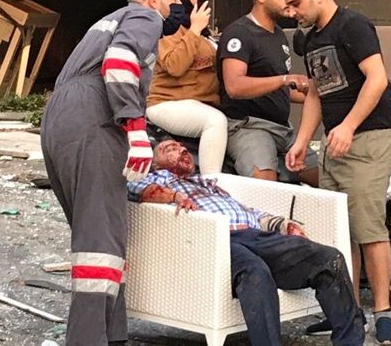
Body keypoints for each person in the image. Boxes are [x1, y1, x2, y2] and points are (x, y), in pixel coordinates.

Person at [40, 0, 188, 346]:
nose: (176, 0)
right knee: (100, 243)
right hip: (95, 118)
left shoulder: (109, 21)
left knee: (99, 231)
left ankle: (112, 334)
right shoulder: (145, 17)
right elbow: (120, 63)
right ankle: (88, 338)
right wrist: (135, 130)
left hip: (62, 118)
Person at [127, 139, 365, 346]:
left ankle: (350, 342)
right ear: (155, 164)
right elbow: (138, 191)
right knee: (255, 272)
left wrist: (283, 224)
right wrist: (174, 196)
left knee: (328, 258)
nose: (180, 150)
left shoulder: (208, 185)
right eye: (169, 149)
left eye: (181, 147)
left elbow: (249, 212)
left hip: (256, 236)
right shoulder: (155, 178)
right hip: (215, 241)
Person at [280, 0, 391, 345]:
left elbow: (377, 79)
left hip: (369, 138)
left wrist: (348, 125)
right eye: (289, 6)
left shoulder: (353, 25)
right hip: (334, 143)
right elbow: (316, 92)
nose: (293, 12)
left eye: (296, 3)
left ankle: (383, 312)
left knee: (368, 226)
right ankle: (349, 313)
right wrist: (302, 141)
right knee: (340, 229)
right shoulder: (312, 39)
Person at [216, 0, 318, 186]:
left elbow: (278, 90)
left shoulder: (278, 34)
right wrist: (284, 79)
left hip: (284, 130)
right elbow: (234, 86)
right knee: (265, 184)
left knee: (327, 177)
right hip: (249, 127)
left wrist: (318, 94)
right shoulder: (239, 33)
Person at [147, 0, 228, 175]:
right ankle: (211, 183)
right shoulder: (168, 26)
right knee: (215, 122)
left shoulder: (206, 32)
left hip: (200, 103)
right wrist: (194, 29)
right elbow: (175, 66)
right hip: (168, 102)